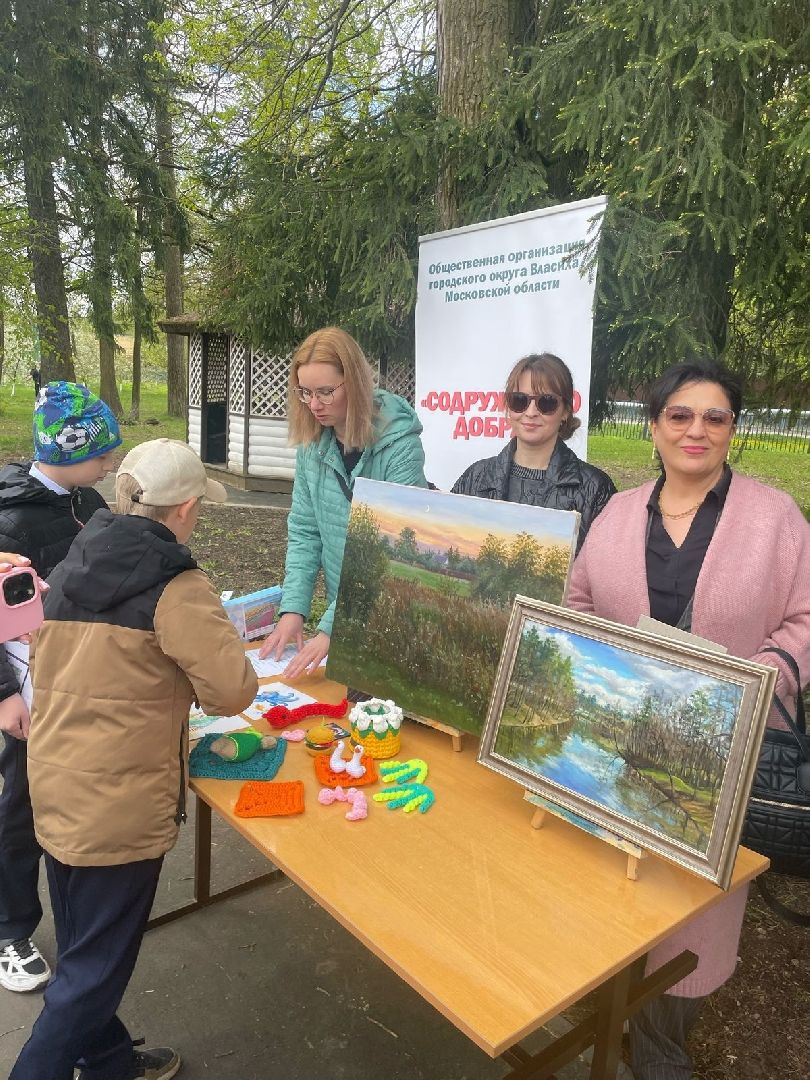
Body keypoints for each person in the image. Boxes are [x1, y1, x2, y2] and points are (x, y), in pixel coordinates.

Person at [568, 360, 810, 1080]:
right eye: (680, 415)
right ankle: (602, 1010)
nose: (696, 430)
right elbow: (578, 603)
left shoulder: (776, 518)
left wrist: (759, 677)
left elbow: (806, 618)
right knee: (611, 888)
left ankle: (660, 1047)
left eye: (715, 417)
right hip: (616, 744)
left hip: (724, 750)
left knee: (689, 911)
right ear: (654, 426)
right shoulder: (617, 513)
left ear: (735, 429)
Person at [10, 438, 258, 1080]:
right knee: (93, 972)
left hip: (57, 782)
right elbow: (232, 691)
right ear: (186, 509)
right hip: (118, 809)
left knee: (83, 950)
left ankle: (109, 1061)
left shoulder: (72, 559)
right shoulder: (176, 584)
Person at [0, 381, 121, 994]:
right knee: (21, 804)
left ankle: (79, 922)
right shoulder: (13, 520)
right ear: (72, 449)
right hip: (26, 685)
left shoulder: (88, 499)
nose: (109, 464)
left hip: (75, 677)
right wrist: (4, 696)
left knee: (69, 797)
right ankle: (10, 930)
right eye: (103, 452)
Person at [259, 327, 428, 678]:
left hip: (396, 614)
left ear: (355, 382)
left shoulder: (400, 446)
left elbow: (392, 548)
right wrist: (294, 610)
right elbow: (306, 531)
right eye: (304, 392)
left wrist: (332, 626)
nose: (314, 404)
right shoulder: (312, 445)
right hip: (345, 612)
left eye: (325, 392)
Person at [451, 352, 616, 550]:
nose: (530, 412)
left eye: (546, 402)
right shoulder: (475, 478)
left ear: (565, 411)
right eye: (519, 400)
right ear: (508, 408)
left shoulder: (595, 489)